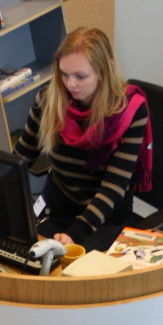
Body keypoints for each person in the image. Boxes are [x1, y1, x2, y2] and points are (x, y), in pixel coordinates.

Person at [14, 27, 152, 251]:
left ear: (104, 71)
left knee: (76, 275)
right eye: (64, 75)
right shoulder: (47, 101)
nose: (70, 85)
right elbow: (21, 158)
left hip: (105, 218)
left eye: (81, 76)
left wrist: (75, 233)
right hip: (56, 209)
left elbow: (113, 188)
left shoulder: (129, 113)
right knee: (22, 255)